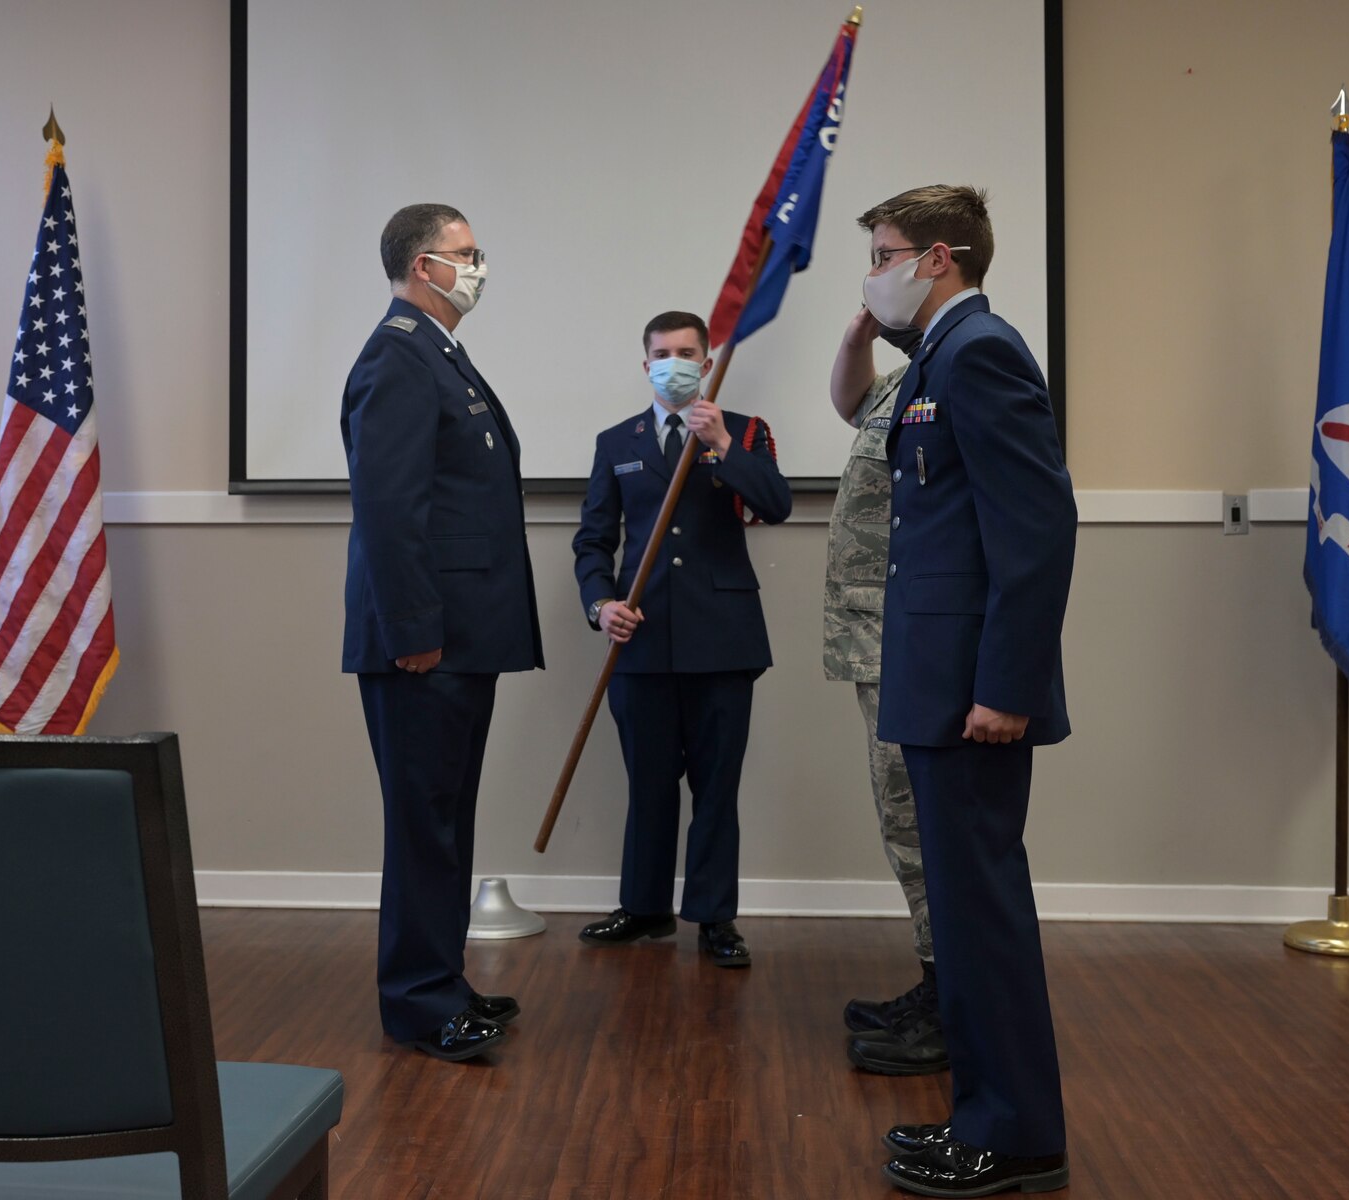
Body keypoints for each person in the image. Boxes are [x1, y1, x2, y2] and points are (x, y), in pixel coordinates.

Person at [856, 186, 1077, 1197]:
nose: (874, 271)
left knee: (981, 914)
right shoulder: (937, 357)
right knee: (964, 909)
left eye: (884, 254)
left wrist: (1006, 686)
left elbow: (1035, 533)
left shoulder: (980, 351)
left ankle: (1015, 1134)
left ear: (937, 259)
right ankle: (983, 1116)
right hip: (938, 683)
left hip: (972, 694)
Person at [341, 203, 544, 1062]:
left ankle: (441, 981)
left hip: (463, 636)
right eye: (465, 254)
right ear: (424, 266)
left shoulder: (436, 354)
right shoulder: (397, 356)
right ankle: (419, 1002)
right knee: (424, 821)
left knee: (446, 818)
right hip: (426, 642)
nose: (478, 266)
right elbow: (391, 513)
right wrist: (414, 630)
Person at [571, 310, 792, 968]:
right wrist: (601, 604)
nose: (674, 361)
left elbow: (776, 505)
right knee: (648, 785)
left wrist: (724, 443)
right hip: (640, 640)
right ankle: (643, 909)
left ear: (706, 358)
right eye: (662, 353)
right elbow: (593, 541)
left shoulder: (745, 430)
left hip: (723, 641)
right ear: (646, 366)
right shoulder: (617, 441)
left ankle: (715, 918)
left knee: (716, 788)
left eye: (687, 351)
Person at [823, 306, 952, 1077]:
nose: (873, 275)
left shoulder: (965, 371)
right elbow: (849, 404)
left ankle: (952, 1007)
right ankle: (939, 984)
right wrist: (855, 336)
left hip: (912, 648)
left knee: (925, 830)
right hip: (878, 647)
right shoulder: (908, 381)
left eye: (885, 256)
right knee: (904, 828)